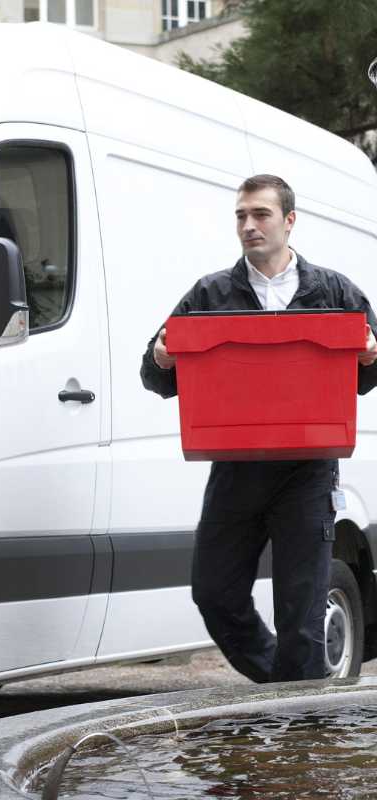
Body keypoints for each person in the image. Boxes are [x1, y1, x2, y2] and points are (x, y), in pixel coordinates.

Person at [140, 174, 377, 682]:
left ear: (289, 221)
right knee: (214, 593)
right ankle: (284, 689)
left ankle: (304, 736)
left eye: (261, 214)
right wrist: (161, 358)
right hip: (236, 469)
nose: (249, 226)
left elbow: (365, 375)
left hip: (307, 474)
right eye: (241, 216)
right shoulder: (210, 293)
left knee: (302, 616)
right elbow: (156, 375)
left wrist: (372, 355)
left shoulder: (333, 290)